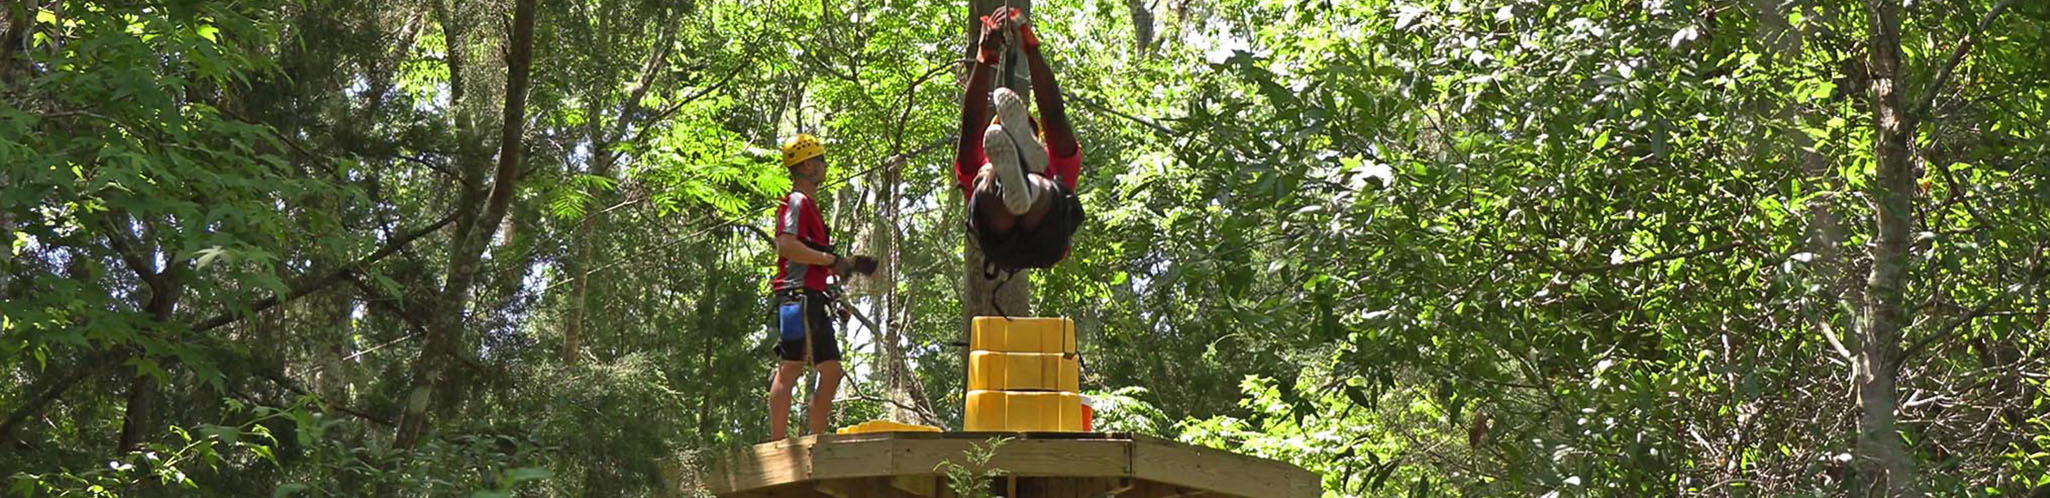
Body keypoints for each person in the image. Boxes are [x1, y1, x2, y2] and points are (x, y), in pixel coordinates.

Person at [953, 7, 1085, 275]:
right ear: (1037, 138)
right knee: (1043, 182)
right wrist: (1031, 50)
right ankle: (1029, 184)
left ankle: (1019, 181)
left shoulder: (983, 162)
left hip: (999, 236)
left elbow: (970, 130)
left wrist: (984, 58)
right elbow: (1054, 118)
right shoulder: (1057, 163)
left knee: (984, 177)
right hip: (1047, 232)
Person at [767, 133, 874, 441]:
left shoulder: (810, 206)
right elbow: (786, 245)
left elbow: (812, 259)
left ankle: (815, 438)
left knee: (829, 370)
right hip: (796, 296)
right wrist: (830, 260)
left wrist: (837, 293)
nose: (826, 166)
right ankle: (778, 443)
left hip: (809, 295)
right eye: (822, 160)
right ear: (809, 167)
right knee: (793, 366)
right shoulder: (798, 202)